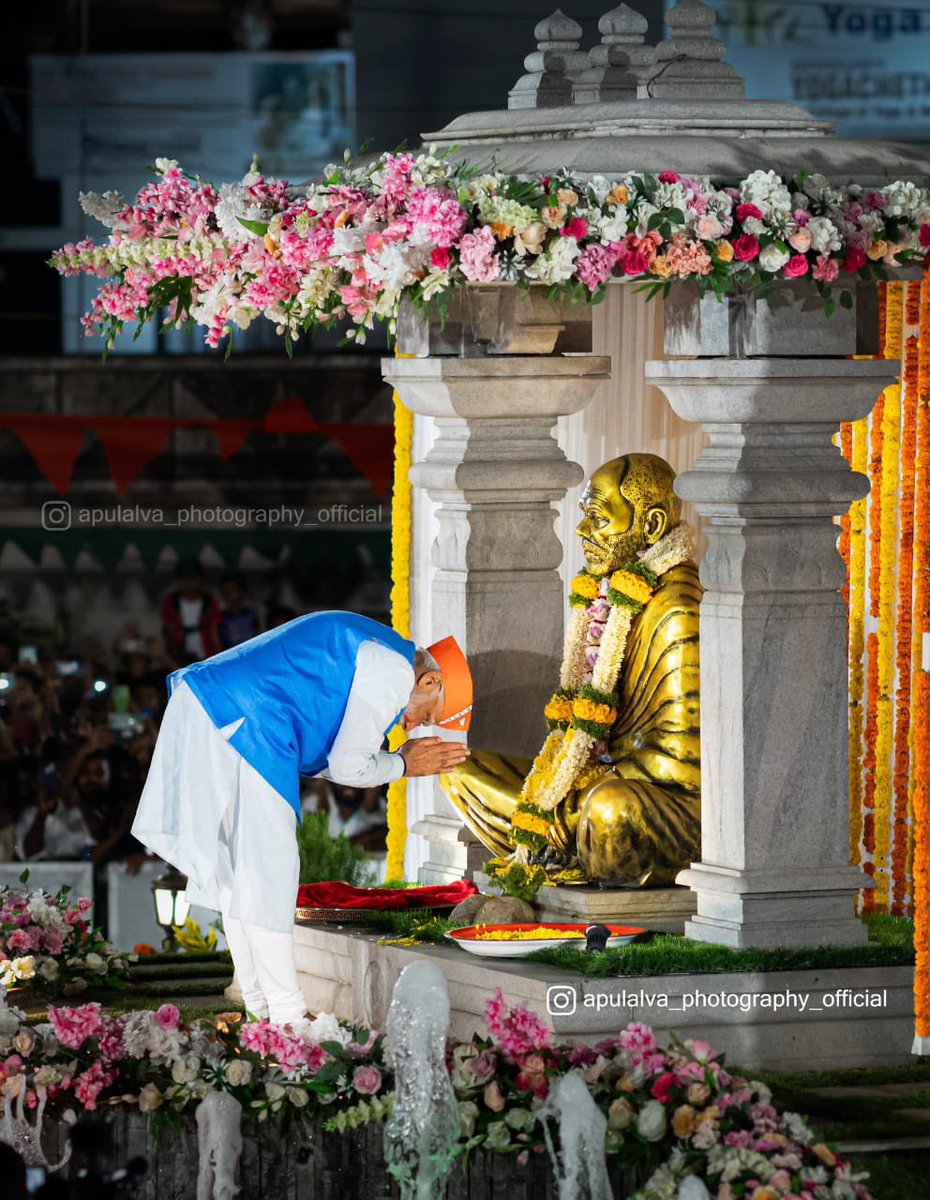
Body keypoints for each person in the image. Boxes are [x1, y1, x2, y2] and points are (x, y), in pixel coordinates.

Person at [132, 611, 472, 1029]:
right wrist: (404, 765)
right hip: (246, 717)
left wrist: (396, 762)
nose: (414, 726)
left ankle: (261, 1007)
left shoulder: (383, 651)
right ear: (430, 682)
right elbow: (348, 767)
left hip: (220, 708)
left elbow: (334, 760)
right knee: (269, 869)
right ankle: (289, 1015)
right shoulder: (393, 670)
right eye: (428, 716)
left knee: (244, 874)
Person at [160, 560, 221, 664]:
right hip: (179, 654)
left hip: (206, 654)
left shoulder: (209, 601)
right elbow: (167, 629)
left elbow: (214, 630)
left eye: (192, 579)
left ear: (200, 579)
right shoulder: (171, 601)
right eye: (184, 579)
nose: (188, 584)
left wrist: (219, 654)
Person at [218, 574, 261, 649]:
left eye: (232, 589)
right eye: (225, 591)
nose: (229, 593)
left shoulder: (253, 614)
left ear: (242, 591)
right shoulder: (220, 618)